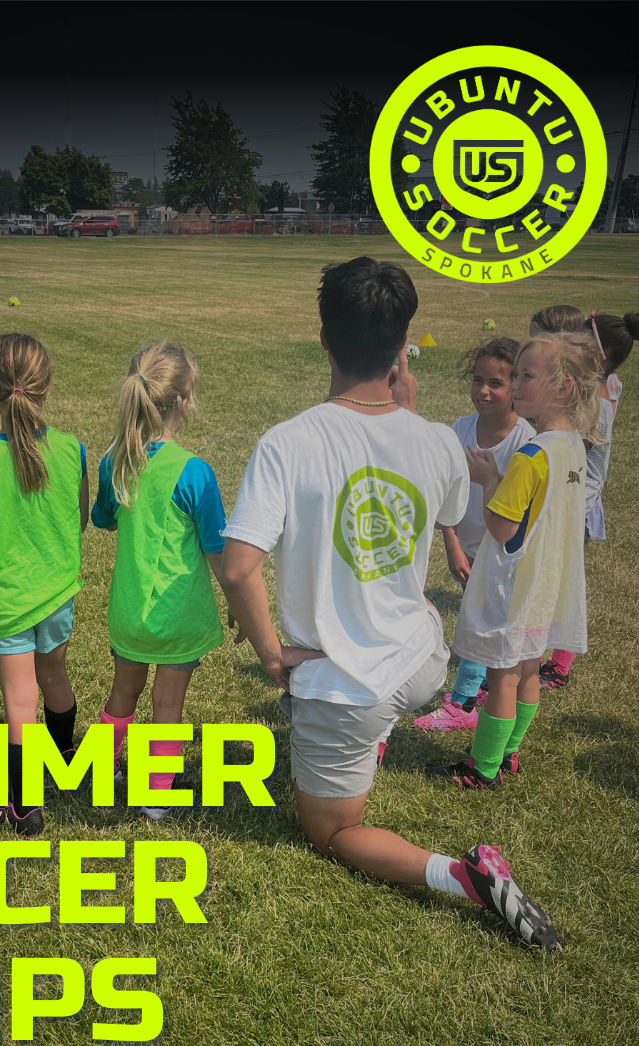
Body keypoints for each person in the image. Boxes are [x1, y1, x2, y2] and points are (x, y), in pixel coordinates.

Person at [221, 257, 563, 951]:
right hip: (422, 663)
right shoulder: (441, 440)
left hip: (352, 681)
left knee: (332, 830)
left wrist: (272, 657)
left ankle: (465, 878)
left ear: (323, 338)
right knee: (369, 708)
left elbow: (239, 568)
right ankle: (370, 736)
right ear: (405, 345)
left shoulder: (288, 441)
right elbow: (442, 507)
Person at [428, 330, 601, 792]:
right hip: (547, 581)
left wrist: (489, 479)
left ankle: (481, 768)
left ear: (562, 388)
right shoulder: (572, 448)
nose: (518, 384)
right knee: (529, 670)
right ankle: (510, 753)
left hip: (514, 579)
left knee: (503, 675)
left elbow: (502, 529)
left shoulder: (530, 455)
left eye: (526, 376)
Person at [0, 334, 88, 836]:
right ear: (45, 387)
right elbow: (82, 518)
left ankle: (25, 806)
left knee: (20, 698)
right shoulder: (72, 449)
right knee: (53, 678)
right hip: (56, 592)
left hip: (5, 600)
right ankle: (66, 758)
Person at [91, 342, 227, 821]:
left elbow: (103, 518)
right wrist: (236, 601)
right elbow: (217, 549)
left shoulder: (115, 462)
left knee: (121, 694)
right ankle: (154, 796)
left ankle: (102, 773)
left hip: (129, 615)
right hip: (177, 618)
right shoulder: (195, 473)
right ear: (185, 401)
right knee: (167, 707)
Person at [416, 336, 534, 732]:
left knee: (481, 623)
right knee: (479, 616)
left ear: (515, 387)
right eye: (477, 379)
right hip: (465, 547)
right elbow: (444, 495)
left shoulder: (526, 442)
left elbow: (518, 512)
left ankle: (462, 703)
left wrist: (490, 480)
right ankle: (482, 685)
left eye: (496, 383)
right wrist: (451, 543)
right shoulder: (459, 430)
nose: (483, 391)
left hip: (504, 552)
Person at [537, 309, 639, 689]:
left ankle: (557, 664)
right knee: (562, 580)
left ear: (596, 354)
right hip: (579, 501)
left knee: (559, 582)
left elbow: (566, 448)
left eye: (577, 341)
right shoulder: (609, 384)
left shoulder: (593, 405)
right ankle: (550, 657)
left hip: (575, 506)